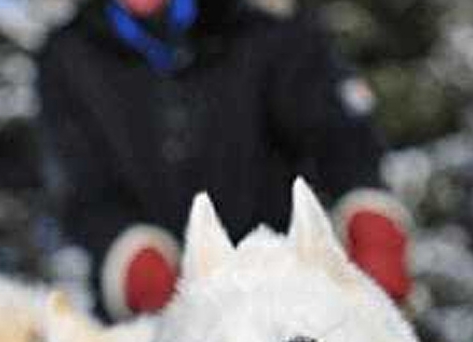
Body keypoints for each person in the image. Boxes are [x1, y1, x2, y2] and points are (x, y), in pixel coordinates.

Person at [36, 0, 412, 320]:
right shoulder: (67, 57)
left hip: (283, 294)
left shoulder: (261, 29)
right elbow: (83, 185)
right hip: (156, 321)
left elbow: (337, 134)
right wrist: (134, 257)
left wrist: (368, 213)